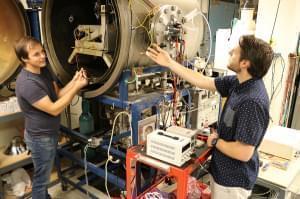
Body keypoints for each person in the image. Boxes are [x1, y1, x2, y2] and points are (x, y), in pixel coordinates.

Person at [146, 35, 274, 199]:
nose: (230, 52)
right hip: (223, 173)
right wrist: (170, 62)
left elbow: (244, 152)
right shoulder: (239, 83)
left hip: (232, 181)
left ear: (245, 63)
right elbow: (203, 81)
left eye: (234, 52)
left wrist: (215, 141)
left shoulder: (252, 101)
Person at [14, 36, 88, 199]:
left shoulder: (44, 69)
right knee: (41, 179)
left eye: (42, 51)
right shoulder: (27, 83)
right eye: (36, 54)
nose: (43, 56)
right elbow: (54, 109)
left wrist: (74, 81)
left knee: (43, 173)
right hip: (40, 138)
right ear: (24, 59)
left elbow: (58, 95)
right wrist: (76, 87)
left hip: (49, 133)